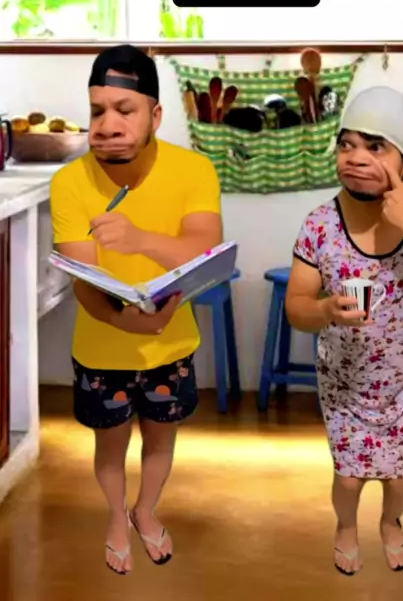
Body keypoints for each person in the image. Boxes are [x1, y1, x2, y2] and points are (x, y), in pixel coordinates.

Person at [285, 86, 403, 576]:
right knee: (348, 479)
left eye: (375, 146)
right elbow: (297, 308)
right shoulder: (320, 225)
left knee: (398, 478)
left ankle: (391, 521)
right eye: (346, 144)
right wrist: (326, 309)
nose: (355, 157)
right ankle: (346, 526)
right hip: (343, 382)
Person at [50, 44, 222, 575]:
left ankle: (145, 510)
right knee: (109, 448)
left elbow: (206, 248)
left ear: (155, 115)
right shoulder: (69, 182)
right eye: (97, 110)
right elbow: (83, 280)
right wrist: (123, 320)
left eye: (124, 110)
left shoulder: (193, 170)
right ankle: (115, 517)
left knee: (160, 442)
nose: (107, 125)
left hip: (172, 341)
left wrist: (139, 238)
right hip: (101, 346)